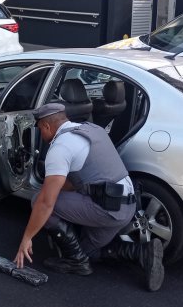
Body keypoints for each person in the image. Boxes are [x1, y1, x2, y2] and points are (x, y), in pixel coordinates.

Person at [14, 103, 164, 291]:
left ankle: (75, 261)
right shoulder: (92, 129)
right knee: (88, 252)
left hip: (106, 210)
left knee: (38, 200)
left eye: (39, 130)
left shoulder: (60, 148)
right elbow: (79, 181)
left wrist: (27, 238)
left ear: (46, 126)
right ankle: (142, 252)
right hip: (127, 206)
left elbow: (45, 203)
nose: (41, 136)